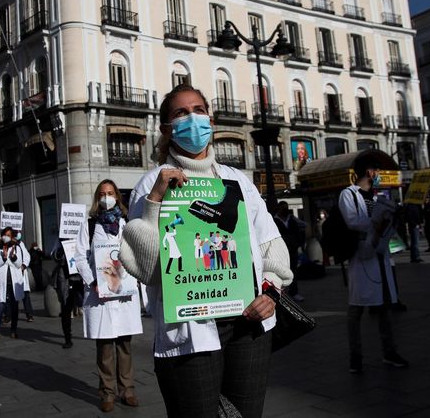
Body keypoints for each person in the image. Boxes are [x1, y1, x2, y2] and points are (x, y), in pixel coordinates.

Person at [119, 84, 293, 418]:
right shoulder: (150, 184)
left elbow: (270, 246)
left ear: (210, 118)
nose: (192, 119)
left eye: (198, 110)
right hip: (190, 330)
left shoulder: (237, 181)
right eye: (181, 113)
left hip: (249, 324)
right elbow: (147, 269)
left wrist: (270, 292)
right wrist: (156, 201)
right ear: (167, 128)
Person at [75, 179, 143, 412]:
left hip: (124, 293)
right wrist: (93, 281)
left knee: (124, 345)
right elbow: (80, 256)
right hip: (100, 294)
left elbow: (134, 253)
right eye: (103, 193)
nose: (107, 197)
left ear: (117, 196)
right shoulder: (90, 225)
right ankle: (107, 392)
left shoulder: (126, 223)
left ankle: (128, 389)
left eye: (111, 193)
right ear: (97, 197)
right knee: (105, 347)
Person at [338, 154, 408, 374]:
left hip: (380, 254)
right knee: (356, 308)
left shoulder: (379, 198)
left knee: (385, 305)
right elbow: (352, 221)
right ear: (370, 172)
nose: (378, 175)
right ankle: (355, 356)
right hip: (361, 256)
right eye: (377, 170)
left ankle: (390, 351)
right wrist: (377, 220)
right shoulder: (348, 194)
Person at [0, 227, 28, 339]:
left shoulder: (17, 247)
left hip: (14, 281)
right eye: (4, 234)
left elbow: (19, 264)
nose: (6, 236)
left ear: (12, 237)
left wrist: (14, 258)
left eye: (9, 235)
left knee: (15, 306)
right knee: (0, 305)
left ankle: (13, 330)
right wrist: (4, 259)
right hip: (2, 280)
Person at [52, 240, 84, 348]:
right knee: (66, 308)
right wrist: (62, 248)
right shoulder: (60, 240)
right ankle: (68, 338)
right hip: (66, 278)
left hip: (80, 277)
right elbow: (55, 256)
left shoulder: (82, 237)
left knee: (86, 303)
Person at [274, 201, 305, 301]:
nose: (285, 209)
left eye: (286, 207)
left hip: (292, 249)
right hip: (280, 250)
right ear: (278, 208)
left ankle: (294, 292)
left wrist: (298, 242)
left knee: (293, 271)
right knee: (281, 271)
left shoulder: (291, 219)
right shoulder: (274, 220)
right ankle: (282, 293)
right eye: (282, 207)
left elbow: (303, 226)